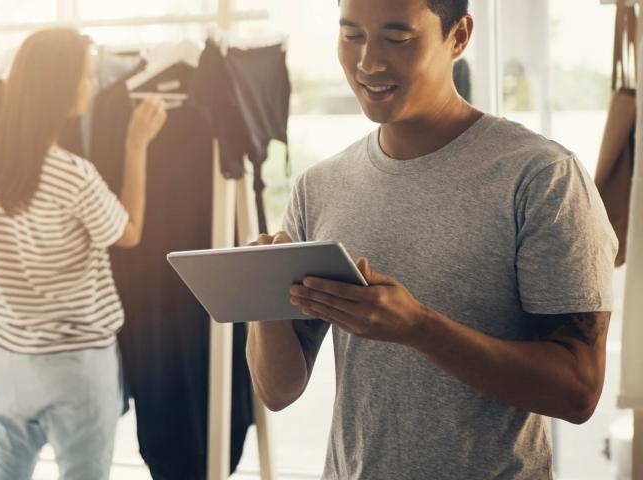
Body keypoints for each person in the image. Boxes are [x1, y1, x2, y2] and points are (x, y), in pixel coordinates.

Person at [245, 0, 618, 478]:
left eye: (397, 39)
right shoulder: (318, 186)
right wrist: (259, 295)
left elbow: (579, 390)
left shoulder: (541, 176)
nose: (368, 63)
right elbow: (278, 392)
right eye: (352, 36)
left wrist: (419, 329)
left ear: (458, 36)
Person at [0, 28, 167, 479]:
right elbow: (130, 232)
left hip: (9, 358)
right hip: (76, 363)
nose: (92, 84)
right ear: (58, 88)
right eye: (85, 76)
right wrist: (136, 145)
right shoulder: (73, 176)